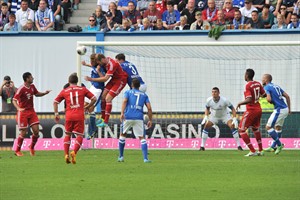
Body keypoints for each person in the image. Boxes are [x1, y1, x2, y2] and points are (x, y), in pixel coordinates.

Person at [54, 73, 96, 164]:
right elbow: (94, 98)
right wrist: (87, 106)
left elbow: (55, 102)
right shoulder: (83, 89)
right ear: (77, 82)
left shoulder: (65, 91)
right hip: (79, 115)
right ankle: (74, 152)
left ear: (69, 82)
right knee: (79, 136)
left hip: (69, 115)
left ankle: (66, 154)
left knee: (67, 135)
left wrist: (56, 114)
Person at [12, 72, 51, 157]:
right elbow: (14, 100)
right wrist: (18, 108)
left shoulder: (32, 87)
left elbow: (36, 94)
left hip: (31, 111)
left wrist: (44, 93)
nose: (33, 78)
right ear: (27, 79)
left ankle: (31, 147)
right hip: (23, 112)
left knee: (36, 131)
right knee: (23, 132)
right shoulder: (21, 89)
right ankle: (17, 150)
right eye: (31, 77)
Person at [84, 54, 128, 127]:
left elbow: (105, 79)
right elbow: (96, 67)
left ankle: (106, 122)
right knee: (103, 96)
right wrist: (86, 64)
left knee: (108, 98)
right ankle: (103, 118)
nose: (99, 64)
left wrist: (91, 79)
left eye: (99, 62)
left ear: (102, 59)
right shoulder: (104, 62)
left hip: (121, 80)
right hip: (114, 79)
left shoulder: (112, 64)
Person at [118, 78, 152, 163]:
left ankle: (121, 157)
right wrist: (150, 119)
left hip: (128, 116)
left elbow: (125, 101)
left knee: (123, 135)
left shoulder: (128, 92)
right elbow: (149, 108)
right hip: (138, 117)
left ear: (132, 85)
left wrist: (122, 112)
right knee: (142, 138)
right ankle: (145, 159)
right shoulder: (144, 95)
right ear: (139, 86)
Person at [236, 69, 266, 157]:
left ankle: (252, 151)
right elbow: (264, 95)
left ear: (247, 76)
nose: (244, 76)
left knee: (241, 130)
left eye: (245, 74)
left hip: (251, 110)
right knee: (255, 129)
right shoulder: (257, 83)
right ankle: (261, 150)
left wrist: (240, 103)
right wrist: (256, 96)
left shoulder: (248, 85)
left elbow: (249, 99)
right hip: (258, 109)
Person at [261, 74, 291, 154]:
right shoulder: (276, 86)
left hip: (279, 109)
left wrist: (268, 99)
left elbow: (269, 99)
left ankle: (279, 145)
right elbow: (287, 96)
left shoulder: (266, 87)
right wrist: (289, 109)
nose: (262, 80)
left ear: (266, 80)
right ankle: (272, 147)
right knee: (278, 128)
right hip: (285, 108)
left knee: (268, 127)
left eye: (263, 79)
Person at [81, 53, 106, 139]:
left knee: (90, 107)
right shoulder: (93, 65)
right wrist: (85, 64)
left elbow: (103, 77)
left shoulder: (100, 68)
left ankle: (91, 131)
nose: (90, 63)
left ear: (96, 62)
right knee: (85, 105)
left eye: (92, 61)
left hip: (98, 89)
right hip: (93, 87)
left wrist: (98, 71)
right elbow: (91, 66)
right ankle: (93, 128)